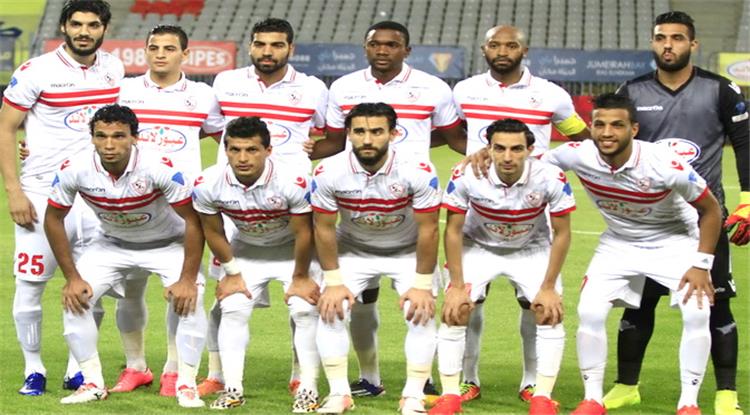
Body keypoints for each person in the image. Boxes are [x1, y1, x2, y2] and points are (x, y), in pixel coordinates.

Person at [604, 11, 749, 415]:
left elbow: (745, 144)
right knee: (638, 303)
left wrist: (748, 199)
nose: (668, 45)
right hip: (648, 220)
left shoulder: (720, 89)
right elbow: (613, 146)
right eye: (661, 37)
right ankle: (626, 385)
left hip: (705, 219)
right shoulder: (631, 91)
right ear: (653, 42)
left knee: (716, 304)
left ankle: (725, 394)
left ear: (693, 44)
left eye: (678, 38)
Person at [540, 93, 722, 415]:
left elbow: (711, 210)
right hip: (618, 242)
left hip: (674, 241)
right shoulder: (577, 154)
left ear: (633, 129)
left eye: (617, 125)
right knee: (589, 312)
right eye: (599, 125)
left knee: (697, 314)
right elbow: (532, 165)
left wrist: (701, 264)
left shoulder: (664, 163)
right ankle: (592, 400)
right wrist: (483, 156)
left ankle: (689, 404)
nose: (606, 133)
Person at [312, 21, 462, 398]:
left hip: (406, 205)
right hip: (357, 217)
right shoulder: (343, 87)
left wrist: (486, 153)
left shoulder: (433, 87)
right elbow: (334, 141)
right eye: (375, 44)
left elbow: (453, 136)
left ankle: (422, 382)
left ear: (406, 50)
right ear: (365, 48)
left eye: (392, 45)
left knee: (421, 307)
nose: (382, 50)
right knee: (358, 304)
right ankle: (369, 379)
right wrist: (291, 152)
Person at [452, 25, 589, 403]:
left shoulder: (551, 94)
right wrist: (471, 156)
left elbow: (581, 137)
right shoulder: (464, 91)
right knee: (469, 300)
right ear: (484, 49)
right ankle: (468, 379)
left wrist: (549, 163)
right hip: (478, 211)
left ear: (524, 50)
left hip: (533, 213)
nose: (502, 51)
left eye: (510, 45)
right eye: (495, 45)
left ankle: (531, 381)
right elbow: (448, 130)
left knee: (533, 302)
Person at [45, 104, 207, 407]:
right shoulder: (75, 167)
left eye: (118, 136)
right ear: (92, 138)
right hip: (112, 244)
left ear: (135, 138)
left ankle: (186, 384)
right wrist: (72, 277)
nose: (109, 144)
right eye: (101, 136)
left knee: (191, 297)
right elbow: (53, 219)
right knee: (76, 299)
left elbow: (194, 220)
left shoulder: (159, 167)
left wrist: (187, 279)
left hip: (167, 244)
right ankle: (92, 383)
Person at [0, 0, 123, 396]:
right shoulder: (35, 71)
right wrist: (14, 190)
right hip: (42, 193)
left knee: (93, 286)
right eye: (77, 24)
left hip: (96, 198)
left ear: (104, 29)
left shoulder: (114, 69)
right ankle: (33, 369)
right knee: (30, 286)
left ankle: (78, 368)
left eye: (93, 24)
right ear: (64, 27)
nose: (84, 31)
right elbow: (6, 128)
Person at [205, 17, 328, 397]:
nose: (267, 52)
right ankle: (217, 375)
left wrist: (313, 149)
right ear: (250, 46)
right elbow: (214, 128)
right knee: (225, 298)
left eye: (276, 45)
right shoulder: (226, 82)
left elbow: (333, 135)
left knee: (303, 299)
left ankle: (299, 372)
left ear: (291, 48)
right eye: (260, 44)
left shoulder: (313, 88)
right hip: (239, 208)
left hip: (293, 207)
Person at [431, 118, 574, 415]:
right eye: (500, 148)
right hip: (478, 246)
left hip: (531, 248)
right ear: (489, 149)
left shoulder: (550, 176)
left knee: (548, 312)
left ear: (530, 150)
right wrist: (456, 286)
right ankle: (454, 392)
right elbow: (453, 230)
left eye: (516, 149)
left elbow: (562, 233)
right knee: (456, 310)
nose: (508, 157)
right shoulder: (467, 173)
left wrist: (549, 287)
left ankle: (540, 394)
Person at [111, 24, 224, 397]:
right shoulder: (125, 91)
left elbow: (224, 139)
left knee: (181, 289)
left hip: (182, 208)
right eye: (154, 47)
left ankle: (174, 370)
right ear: (145, 51)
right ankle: (136, 367)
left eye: (169, 48)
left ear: (184, 54)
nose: (160, 54)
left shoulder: (203, 96)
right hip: (130, 204)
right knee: (130, 289)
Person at [311, 103, 441, 414]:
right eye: (359, 131)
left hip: (407, 250)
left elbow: (430, 229)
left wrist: (423, 285)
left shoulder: (417, 169)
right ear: (348, 133)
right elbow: (323, 228)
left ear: (393, 134)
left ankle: (413, 395)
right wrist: (333, 282)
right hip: (353, 249)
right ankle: (340, 393)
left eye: (377, 131)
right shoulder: (328, 170)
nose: (367, 139)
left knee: (420, 311)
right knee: (330, 310)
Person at [192, 116, 321, 411]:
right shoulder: (207, 182)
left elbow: (306, 232)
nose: (242, 158)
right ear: (225, 150)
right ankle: (232, 389)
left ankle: (308, 388)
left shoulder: (294, 181)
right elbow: (213, 231)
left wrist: (301, 277)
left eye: (251, 150)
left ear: (268, 151)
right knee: (232, 307)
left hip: (293, 251)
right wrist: (231, 273)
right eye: (235, 150)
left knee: (304, 309)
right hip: (247, 249)